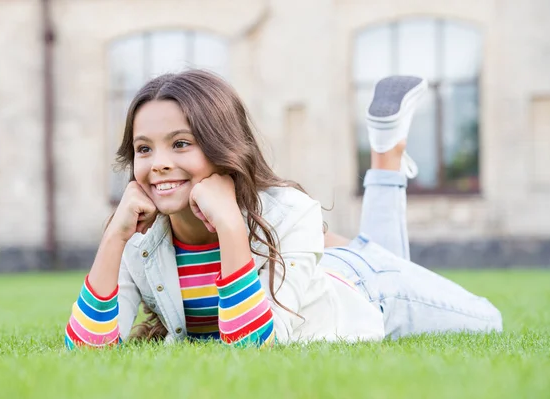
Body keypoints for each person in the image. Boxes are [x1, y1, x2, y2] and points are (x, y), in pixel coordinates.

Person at [64, 71, 502, 349]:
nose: (158, 162)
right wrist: (113, 238)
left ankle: (385, 157)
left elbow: (255, 344)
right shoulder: (139, 234)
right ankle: (386, 153)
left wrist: (231, 226)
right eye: (144, 148)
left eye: (181, 144)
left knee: (489, 322)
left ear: (222, 149)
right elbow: (87, 348)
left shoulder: (288, 211)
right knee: (370, 249)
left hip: (371, 291)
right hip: (312, 264)